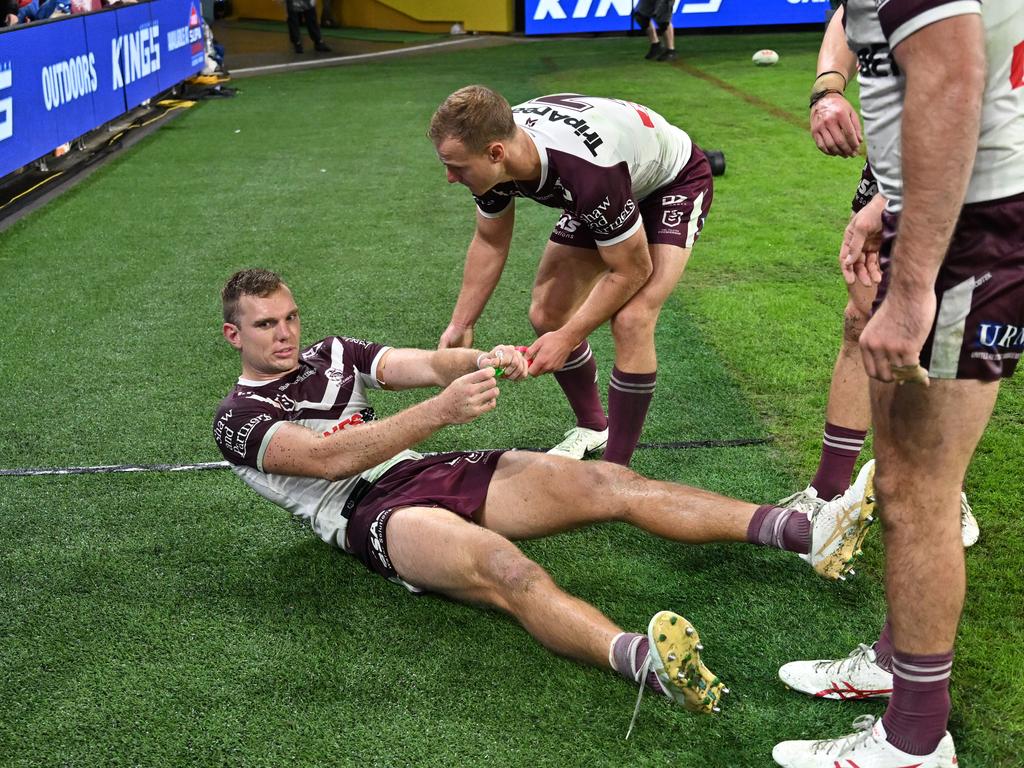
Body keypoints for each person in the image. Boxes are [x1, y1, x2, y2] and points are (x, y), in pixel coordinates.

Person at [214, 268, 876, 736]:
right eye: (266, 324)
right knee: (510, 572)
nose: (285, 332)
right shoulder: (238, 417)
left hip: (427, 472)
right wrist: (440, 414)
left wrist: (483, 359)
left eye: (291, 316)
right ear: (232, 336)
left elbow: (422, 365)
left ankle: (807, 533)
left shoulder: (332, 353)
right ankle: (648, 665)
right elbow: (330, 459)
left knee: (608, 483)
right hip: (371, 515)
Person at [772, 1, 1023, 766]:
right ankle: (896, 665)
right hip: (957, 214)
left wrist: (912, 290)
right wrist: (886, 203)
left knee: (917, 490)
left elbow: (952, 80)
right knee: (910, 483)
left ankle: (915, 738)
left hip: (970, 233)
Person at [780, 3, 980, 543]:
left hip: (979, 163)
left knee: (942, 334)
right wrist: (827, 89)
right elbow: (853, 13)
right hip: (899, 153)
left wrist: (892, 201)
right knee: (863, 318)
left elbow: (975, 103)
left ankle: (942, 489)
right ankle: (824, 493)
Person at [430, 86, 713, 466]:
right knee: (547, 314)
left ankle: (614, 472)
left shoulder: (586, 172)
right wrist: (461, 322)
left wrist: (568, 337)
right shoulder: (494, 146)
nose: (450, 177)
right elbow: (490, 240)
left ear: (496, 154)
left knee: (632, 320)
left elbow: (632, 269)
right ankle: (594, 426)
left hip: (670, 183)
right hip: (613, 177)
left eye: (457, 167)